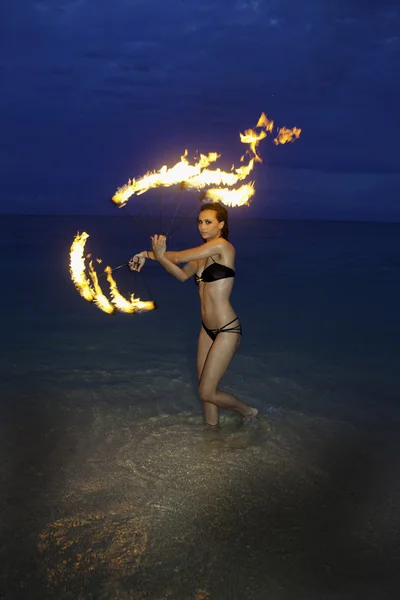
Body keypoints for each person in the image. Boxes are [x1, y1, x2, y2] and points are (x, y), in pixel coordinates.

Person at [129, 202, 258, 429]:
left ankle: (248, 412)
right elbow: (179, 274)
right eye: (199, 222)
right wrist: (157, 258)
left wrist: (148, 254)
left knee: (207, 391)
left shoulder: (222, 246)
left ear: (221, 224)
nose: (202, 226)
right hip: (207, 329)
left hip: (227, 329)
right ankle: (211, 435)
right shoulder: (201, 256)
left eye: (208, 222)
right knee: (203, 390)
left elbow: (177, 256)